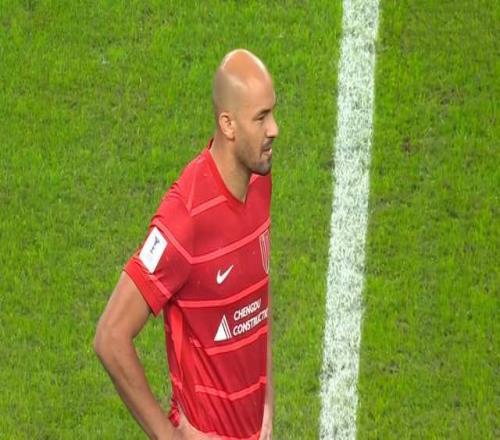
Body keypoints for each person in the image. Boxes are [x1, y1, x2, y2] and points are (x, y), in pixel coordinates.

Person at [94, 48, 278, 440]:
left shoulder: (259, 180)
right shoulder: (185, 218)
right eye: (261, 118)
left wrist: (267, 406)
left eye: (272, 113)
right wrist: (168, 436)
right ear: (228, 124)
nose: (274, 129)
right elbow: (110, 336)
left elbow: (256, 298)